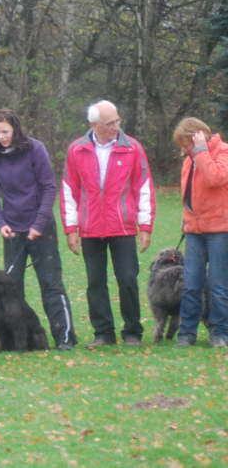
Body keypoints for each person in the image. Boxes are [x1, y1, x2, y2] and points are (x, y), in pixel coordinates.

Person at [60, 100, 155, 348]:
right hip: (90, 227)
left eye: (117, 121)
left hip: (123, 226)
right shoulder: (76, 150)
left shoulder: (133, 148)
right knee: (95, 282)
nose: (116, 126)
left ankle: (132, 331)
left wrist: (145, 226)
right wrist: (71, 229)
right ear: (94, 125)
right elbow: (69, 190)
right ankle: (103, 332)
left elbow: (144, 187)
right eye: (110, 123)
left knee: (127, 279)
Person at [0, 109, 77, 350]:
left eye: (5, 132)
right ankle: (17, 340)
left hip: (41, 229)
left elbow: (48, 187)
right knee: (11, 288)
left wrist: (39, 223)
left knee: (51, 284)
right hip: (12, 231)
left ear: (15, 129)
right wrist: (1, 223)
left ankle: (65, 337)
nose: (2, 137)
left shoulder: (36, 149)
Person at [171, 118, 228, 348]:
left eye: (186, 144)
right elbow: (188, 193)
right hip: (194, 230)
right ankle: (187, 333)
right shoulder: (189, 160)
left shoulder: (223, 152)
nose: (184, 150)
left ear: (197, 136)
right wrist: (186, 219)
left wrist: (202, 152)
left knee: (218, 285)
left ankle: (220, 333)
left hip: (220, 230)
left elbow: (216, 178)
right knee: (191, 284)